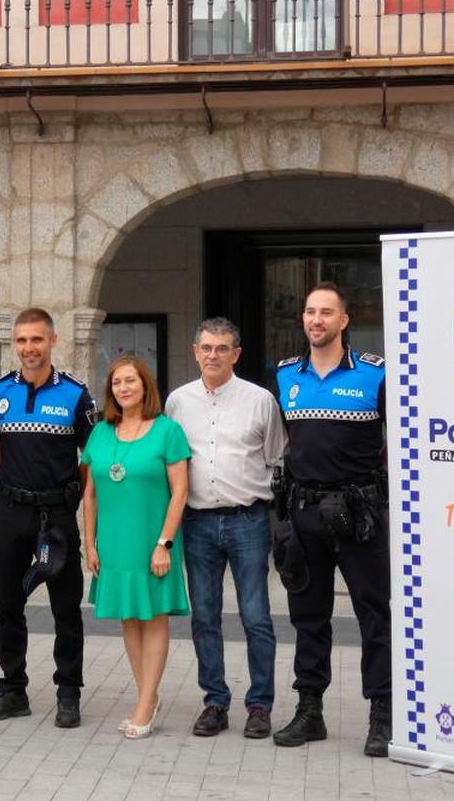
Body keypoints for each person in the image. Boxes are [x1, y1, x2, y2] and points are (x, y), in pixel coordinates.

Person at [272, 281, 391, 757]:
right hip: (304, 515)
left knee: (374, 615)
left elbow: (400, 442)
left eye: (326, 312)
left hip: (359, 514)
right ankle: (309, 712)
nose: (316, 320)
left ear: (345, 321)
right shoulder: (284, 376)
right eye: (309, 312)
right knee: (309, 617)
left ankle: (381, 716)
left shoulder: (375, 375)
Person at [165, 317, 285, 739]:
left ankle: (260, 706)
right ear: (195, 351)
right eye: (206, 347)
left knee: (256, 617)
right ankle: (215, 701)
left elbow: (274, 456)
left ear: (237, 353)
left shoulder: (260, 401)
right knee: (204, 617)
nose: (213, 355)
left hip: (248, 520)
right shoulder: (177, 402)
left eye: (222, 348)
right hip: (197, 522)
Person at [0, 308, 96, 728]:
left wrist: (69, 496)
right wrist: (15, 484)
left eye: (37, 340)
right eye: (22, 340)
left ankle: (68, 692)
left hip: (57, 515)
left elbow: (90, 456)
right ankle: (13, 689)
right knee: (7, 603)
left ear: (53, 342)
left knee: (66, 607)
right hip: (11, 511)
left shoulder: (76, 394)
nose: (29, 348)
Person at [81, 355, 190, 739]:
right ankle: (149, 695)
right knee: (129, 617)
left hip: (153, 541)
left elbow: (180, 492)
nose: (124, 388)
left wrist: (164, 543)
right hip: (114, 542)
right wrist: (89, 543)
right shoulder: (100, 433)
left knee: (154, 617)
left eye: (131, 381)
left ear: (145, 385)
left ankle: (144, 704)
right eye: (116, 383)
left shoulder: (167, 431)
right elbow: (90, 494)